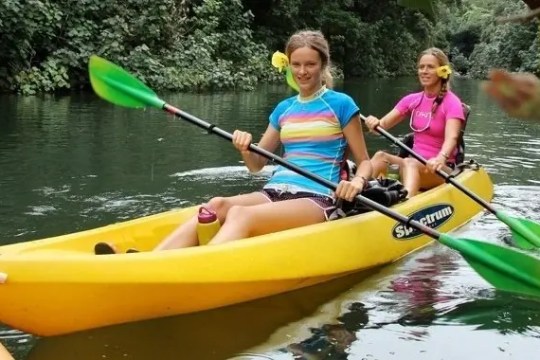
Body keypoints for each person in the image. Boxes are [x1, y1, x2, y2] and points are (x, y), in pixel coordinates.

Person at [95, 30, 372, 254]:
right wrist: (244, 147)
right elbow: (256, 164)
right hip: (274, 191)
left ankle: (190, 267)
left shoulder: (341, 104)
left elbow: (365, 163)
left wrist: (356, 183)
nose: (302, 71)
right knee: (215, 205)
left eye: (310, 64)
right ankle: (151, 261)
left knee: (241, 214)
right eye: (296, 64)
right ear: (289, 65)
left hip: (318, 197)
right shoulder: (284, 109)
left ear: (322, 64)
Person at [364, 47, 465, 197]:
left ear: (442, 71)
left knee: (409, 163)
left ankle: (406, 203)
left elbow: (452, 138)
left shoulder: (452, 103)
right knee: (380, 156)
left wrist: (440, 158)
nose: (424, 71)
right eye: (421, 67)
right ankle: (357, 191)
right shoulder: (412, 100)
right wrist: (373, 123)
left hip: (439, 168)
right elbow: (382, 125)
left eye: (430, 67)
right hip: (412, 164)